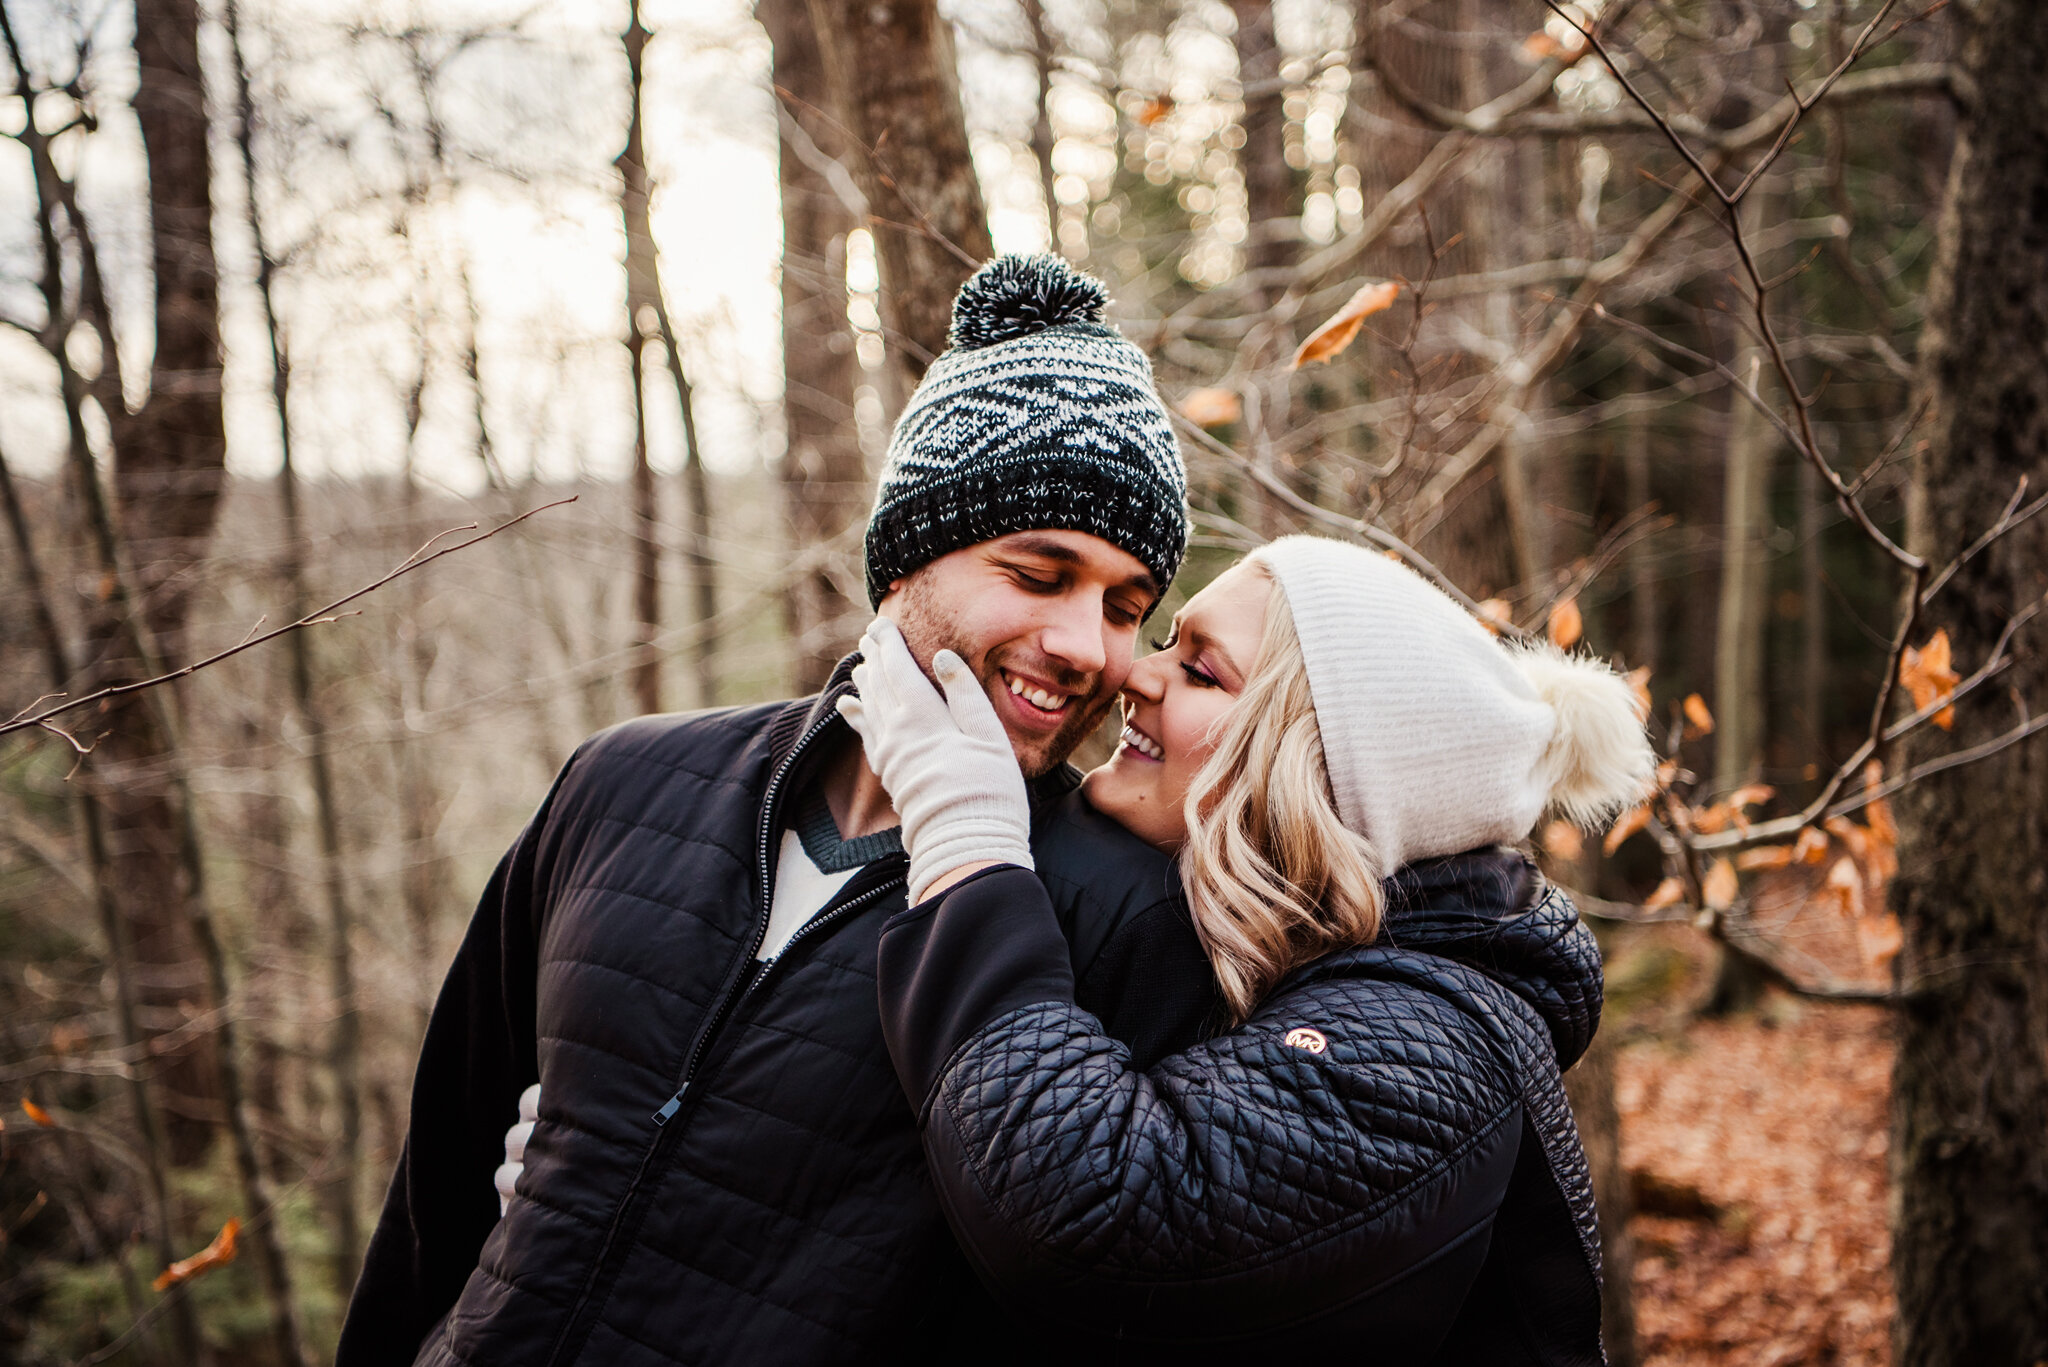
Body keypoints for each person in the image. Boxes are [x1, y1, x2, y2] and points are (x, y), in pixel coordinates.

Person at [334, 254, 1229, 1365]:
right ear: (910, 560)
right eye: (1039, 575)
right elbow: (445, 1180)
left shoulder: (1118, 910)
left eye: (1125, 606)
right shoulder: (622, 781)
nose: (1086, 645)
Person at [842, 533, 1656, 1362]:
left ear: (1322, 775)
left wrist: (967, 839)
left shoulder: (1436, 1035)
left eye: (1201, 671)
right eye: (1166, 642)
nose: (1134, 676)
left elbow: (1105, 1213)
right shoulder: (1297, 956)